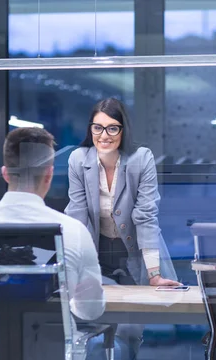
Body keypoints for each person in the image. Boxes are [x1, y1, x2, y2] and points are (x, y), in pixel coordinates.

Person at [0, 127, 136, 360]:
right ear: (49, 174)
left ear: (5, 173)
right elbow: (90, 311)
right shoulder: (71, 231)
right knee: (122, 352)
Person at [65, 97, 179, 287]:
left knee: (142, 308)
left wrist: (154, 274)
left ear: (123, 130)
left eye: (112, 128)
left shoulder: (142, 158)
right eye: (97, 127)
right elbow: (77, 219)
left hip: (136, 250)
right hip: (95, 250)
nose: (104, 135)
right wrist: (72, 270)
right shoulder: (78, 159)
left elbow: (146, 217)